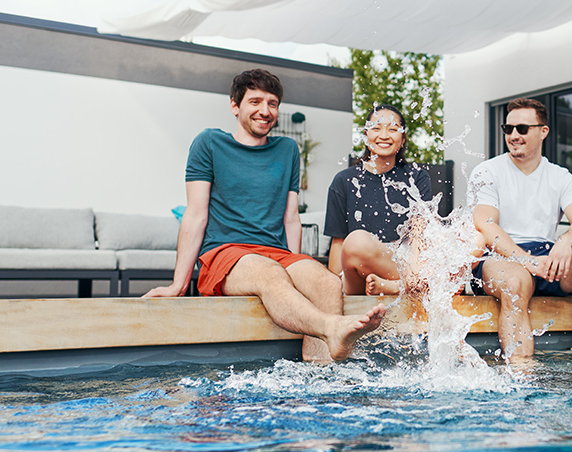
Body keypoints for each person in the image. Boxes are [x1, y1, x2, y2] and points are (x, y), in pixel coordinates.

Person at [144, 69, 385, 363]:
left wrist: (297, 269)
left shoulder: (287, 150)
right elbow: (195, 215)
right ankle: (331, 328)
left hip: (275, 254)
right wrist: (178, 285)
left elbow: (291, 218)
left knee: (326, 283)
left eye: (272, 103)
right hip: (224, 253)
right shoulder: (208, 143)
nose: (265, 110)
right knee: (269, 273)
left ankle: (321, 380)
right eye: (255, 101)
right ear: (235, 105)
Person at [470, 98, 572, 358]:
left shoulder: (561, 176)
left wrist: (565, 241)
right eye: (508, 129)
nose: (514, 135)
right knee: (515, 281)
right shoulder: (488, 171)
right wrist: (526, 261)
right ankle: (522, 377)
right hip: (499, 259)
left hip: (547, 258)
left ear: (543, 132)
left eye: (522, 129)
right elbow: (485, 225)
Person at [324, 104, 432, 298]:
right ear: (366, 136)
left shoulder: (416, 178)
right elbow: (338, 242)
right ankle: (405, 286)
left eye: (392, 129)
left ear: (403, 138)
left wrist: (416, 273)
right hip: (359, 273)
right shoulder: (344, 181)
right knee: (356, 241)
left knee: (470, 238)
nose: (384, 135)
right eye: (376, 128)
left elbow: (419, 235)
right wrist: (332, 291)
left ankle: (397, 286)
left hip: (401, 266)